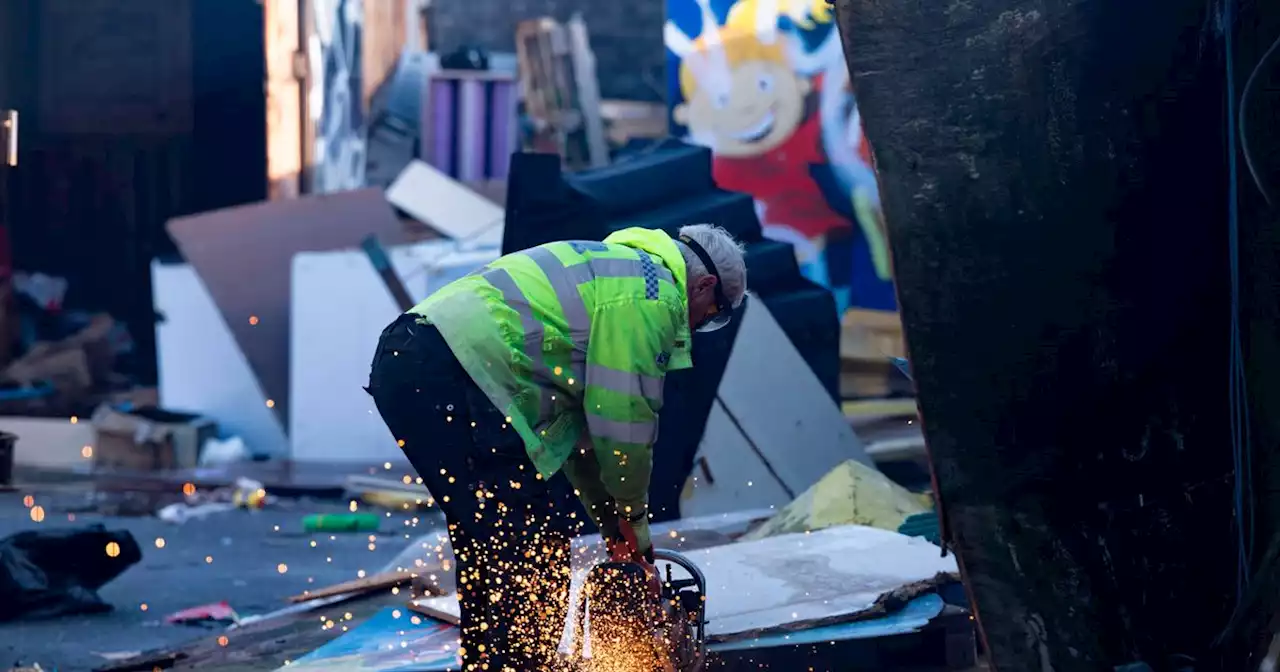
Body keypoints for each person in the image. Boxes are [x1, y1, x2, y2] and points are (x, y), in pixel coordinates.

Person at [365, 224, 748, 671]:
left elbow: (585, 447)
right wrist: (638, 533)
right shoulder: (653, 296)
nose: (704, 323)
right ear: (703, 286)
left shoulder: (617, 271)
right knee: (533, 547)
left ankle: (495, 664)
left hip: (414, 361)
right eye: (715, 313)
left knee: (491, 545)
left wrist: (617, 534)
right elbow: (624, 425)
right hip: (452, 372)